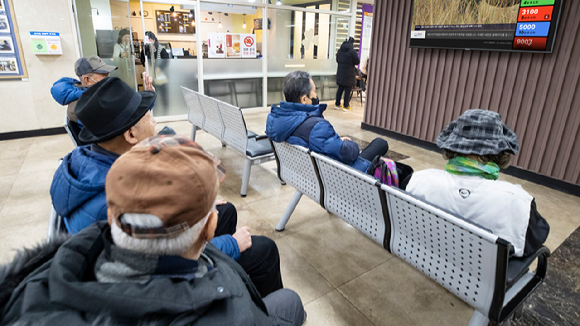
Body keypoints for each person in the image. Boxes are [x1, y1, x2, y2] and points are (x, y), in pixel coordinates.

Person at [0, 136, 305, 326]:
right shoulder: (228, 314)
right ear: (209, 228)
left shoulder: (36, 284)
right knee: (290, 300)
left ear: (111, 213)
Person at [50, 78, 282, 297]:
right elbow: (165, 263)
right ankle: (258, 310)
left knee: (227, 210)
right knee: (264, 250)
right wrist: (231, 244)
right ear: (131, 134)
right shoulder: (119, 200)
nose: (155, 122)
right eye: (149, 116)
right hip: (153, 284)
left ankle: (231, 284)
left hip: (132, 257)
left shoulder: (88, 158)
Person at [406, 109, 550, 257]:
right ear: (500, 152)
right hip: (481, 276)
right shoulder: (517, 201)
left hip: (430, 260)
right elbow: (533, 242)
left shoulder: (419, 179)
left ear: (453, 145)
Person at [266, 71, 389, 173]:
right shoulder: (316, 127)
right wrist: (351, 144)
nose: (316, 95)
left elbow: (324, 144)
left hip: (308, 176)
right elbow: (348, 154)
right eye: (314, 91)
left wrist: (338, 142)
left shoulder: (276, 121)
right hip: (346, 177)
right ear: (304, 99)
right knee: (381, 143)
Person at [335, 37, 360, 112]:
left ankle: (337, 104)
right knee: (347, 90)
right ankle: (345, 106)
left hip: (340, 73)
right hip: (349, 74)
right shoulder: (352, 52)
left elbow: (337, 60)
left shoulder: (339, 51)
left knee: (340, 89)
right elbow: (357, 62)